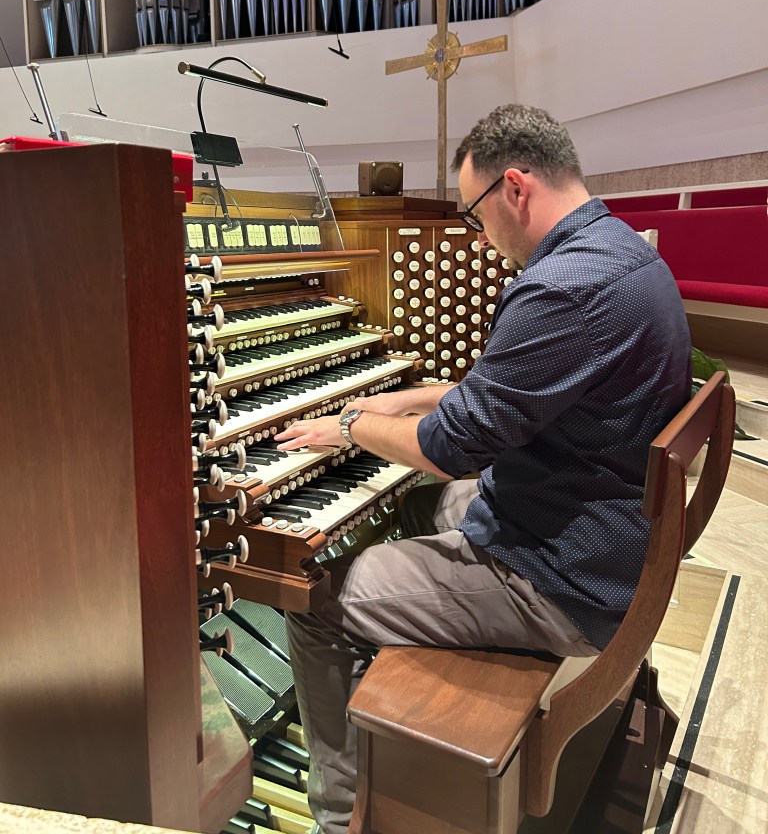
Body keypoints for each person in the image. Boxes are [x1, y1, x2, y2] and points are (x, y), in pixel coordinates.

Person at [274, 103, 692, 834]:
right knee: (412, 505)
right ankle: (384, 693)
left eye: (474, 214)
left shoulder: (562, 287)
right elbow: (511, 396)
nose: (480, 236)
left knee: (312, 602)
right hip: (599, 529)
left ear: (515, 188)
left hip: (562, 578)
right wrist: (405, 396)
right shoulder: (619, 250)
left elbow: (452, 448)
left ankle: (341, 818)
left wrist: (347, 424)